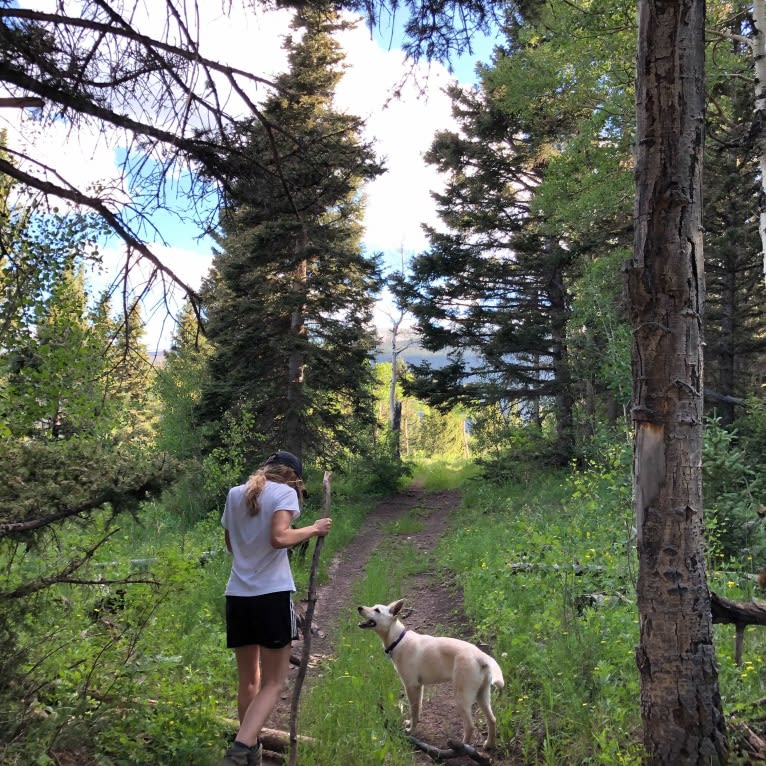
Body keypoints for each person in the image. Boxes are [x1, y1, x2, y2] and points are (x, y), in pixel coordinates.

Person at [218, 450, 332, 766]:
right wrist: (314, 528)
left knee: (249, 681)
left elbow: (230, 545)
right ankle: (240, 751)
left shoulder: (235, 494)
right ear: (294, 476)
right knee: (274, 682)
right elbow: (279, 537)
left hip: (238, 597)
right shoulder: (285, 493)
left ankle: (251, 751)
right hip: (271, 596)